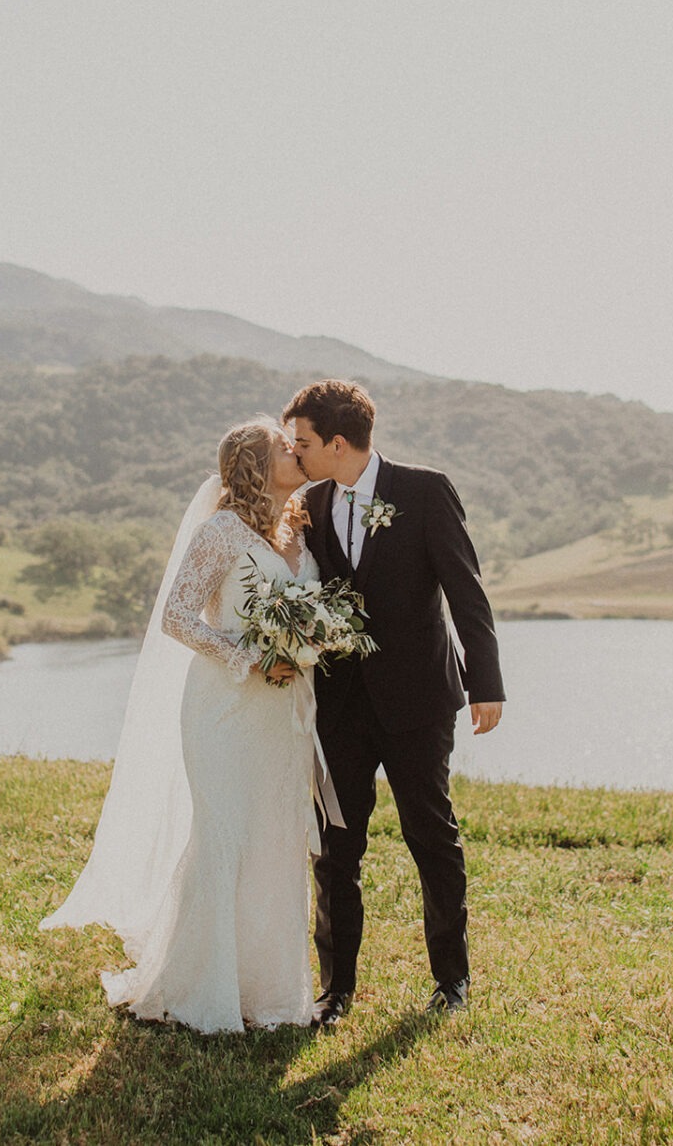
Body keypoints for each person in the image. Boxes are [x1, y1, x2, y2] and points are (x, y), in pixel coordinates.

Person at [40, 420, 321, 1033]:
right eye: (282, 446)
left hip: (280, 715)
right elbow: (177, 617)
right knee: (226, 838)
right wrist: (250, 658)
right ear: (253, 464)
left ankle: (267, 993)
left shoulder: (295, 531)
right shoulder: (222, 531)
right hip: (225, 706)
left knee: (275, 836)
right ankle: (204, 989)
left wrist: (306, 647)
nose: (294, 451)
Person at [282, 379, 504, 1025]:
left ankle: (451, 981)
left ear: (338, 442)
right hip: (341, 704)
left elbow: (466, 590)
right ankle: (336, 989)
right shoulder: (309, 502)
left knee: (431, 837)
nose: (294, 454)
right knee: (336, 847)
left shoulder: (424, 490)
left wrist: (484, 682)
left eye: (303, 443)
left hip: (419, 700)